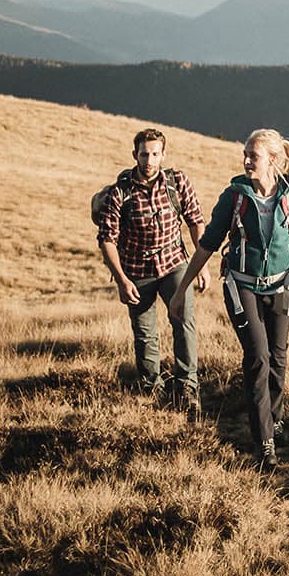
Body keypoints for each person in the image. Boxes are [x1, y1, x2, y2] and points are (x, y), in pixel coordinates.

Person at [176, 128, 289, 470]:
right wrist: (181, 289)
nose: (245, 160)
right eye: (245, 154)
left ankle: (275, 419)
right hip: (242, 287)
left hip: (284, 286)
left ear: (272, 160)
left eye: (252, 156)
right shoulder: (234, 196)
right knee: (258, 356)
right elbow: (208, 243)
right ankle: (264, 442)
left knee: (278, 357)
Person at [97, 127, 208, 418]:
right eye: (144, 154)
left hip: (175, 264)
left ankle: (187, 387)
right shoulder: (120, 192)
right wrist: (121, 280)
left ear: (163, 155)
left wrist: (203, 265)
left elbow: (196, 221)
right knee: (145, 333)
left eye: (155, 154)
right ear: (135, 155)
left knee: (184, 322)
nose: (149, 160)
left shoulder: (176, 182)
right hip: (137, 270)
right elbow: (107, 238)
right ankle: (151, 388)